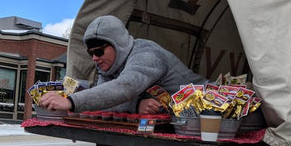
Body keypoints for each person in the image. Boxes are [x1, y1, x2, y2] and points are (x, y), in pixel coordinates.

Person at [39, 15, 208, 114]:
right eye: (91, 53)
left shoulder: (147, 54)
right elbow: (105, 99)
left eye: (99, 51)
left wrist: (71, 101)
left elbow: (125, 87)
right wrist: (135, 106)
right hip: (178, 122)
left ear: (118, 45)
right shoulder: (107, 65)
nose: (94, 58)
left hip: (210, 108)